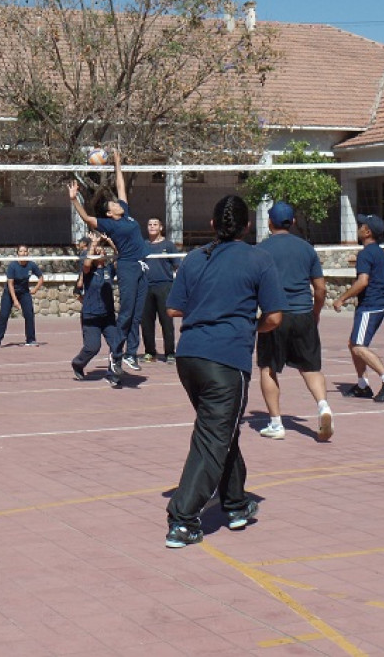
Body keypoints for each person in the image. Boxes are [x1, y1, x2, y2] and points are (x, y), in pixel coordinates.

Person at [163, 195, 286, 548]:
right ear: (248, 226)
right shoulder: (259, 259)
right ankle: (183, 519)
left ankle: (235, 504)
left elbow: (174, 310)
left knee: (222, 431)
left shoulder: (193, 259)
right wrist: (247, 326)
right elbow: (275, 317)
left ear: (214, 225)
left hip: (189, 358)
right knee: (213, 437)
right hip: (225, 361)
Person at [255, 202, 333, 442]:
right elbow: (320, 288)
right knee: (310, 368)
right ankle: (323, 406)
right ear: (294, 222)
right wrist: (316, 312)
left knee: (268, 367)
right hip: (303, 314)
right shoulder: (306, 249)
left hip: (274, 315)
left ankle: (276, 423)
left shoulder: (261, 249)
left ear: (270, 223)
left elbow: (253, 286)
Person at [67, 149, 148, 377]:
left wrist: (118, 164)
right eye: (113, 205)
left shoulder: (127, 216)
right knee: (126, 312)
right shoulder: (110, 225)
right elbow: (86, 218)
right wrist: (74, 199)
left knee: (136, 314)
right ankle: (117, 354)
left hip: (142, 265)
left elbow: (121, 187)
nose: (117, 203)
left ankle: (130, 354)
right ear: (110, 213)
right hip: (128, 266)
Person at [333, 213, 384, 402]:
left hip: (370, 305)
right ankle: (362, 385)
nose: (358, 227)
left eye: (361, 224)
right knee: (353, 343)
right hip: (377, 304)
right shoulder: (380, 252)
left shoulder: (365, 254)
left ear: (367, 231)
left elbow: (362, 281)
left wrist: (342, 299)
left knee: (358, 346)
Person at [71, 231, 119, 386]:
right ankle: (78, 364)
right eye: (96, 251)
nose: (99, 252)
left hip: (108, 316)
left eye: (101, 250)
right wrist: (94, 244)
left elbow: (120, 255)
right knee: (93, 347)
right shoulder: (88, 271)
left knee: (116, 344)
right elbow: (86, 263)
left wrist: (110, 241)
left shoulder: (109, 269)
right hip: (91, 315)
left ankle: (113, 373)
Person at [140, 217, 179, 362]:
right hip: (146, 287)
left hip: (165, 286)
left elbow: (177, 266)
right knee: (146, 322)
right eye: (149, 224)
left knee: (166, 321)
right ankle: (150, 352)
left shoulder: (168, 245)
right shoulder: (143, 245)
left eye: (155, 224)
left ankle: (170, 353)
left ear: (161, 227)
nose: (152, 226)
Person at [0, 245, 44, 348]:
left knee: (29, 314)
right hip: (10, 292)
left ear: (27, 253)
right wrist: (15, 300)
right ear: (18, 254)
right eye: (21, 251)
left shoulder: (31, 265)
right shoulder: (12, 266)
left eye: (25, 251)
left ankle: (31, 339)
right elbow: (10, 284)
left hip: (24, 292)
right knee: (4, 315)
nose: (23, 253)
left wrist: (35, 289)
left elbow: (41, 278)